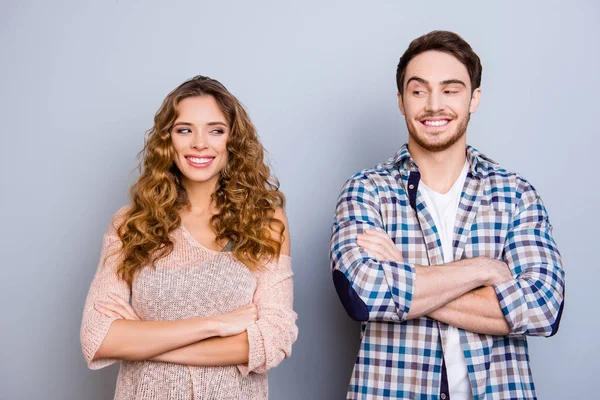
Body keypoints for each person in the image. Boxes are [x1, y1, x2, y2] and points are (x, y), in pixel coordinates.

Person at [330, 31, 565, 400]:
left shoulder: (516, 195)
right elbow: (363, 295)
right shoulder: (366, 190)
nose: (434, 105)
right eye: (418, 90)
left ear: (474, 99)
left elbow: (542, 306)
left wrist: (404, 277)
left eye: (451, 90)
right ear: (401, 100)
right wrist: (483, 270)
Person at [80, 76, 297, 399]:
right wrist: (217, 325)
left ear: (233, 140)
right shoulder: (131, 224)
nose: (199, 143)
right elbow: (97, 338)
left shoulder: (265, 221)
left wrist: (142, 342)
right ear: (167, 139)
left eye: (216, 130)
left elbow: (275, 338)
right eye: (184, 130)